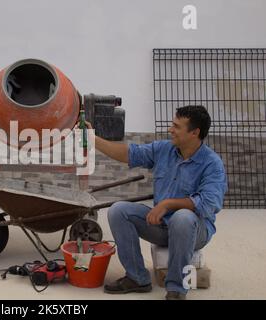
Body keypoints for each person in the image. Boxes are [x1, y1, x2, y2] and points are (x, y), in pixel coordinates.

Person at [88, 105, 227, 300]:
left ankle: (177, 289)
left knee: (183, 217)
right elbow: (129, 153)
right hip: (162, 226)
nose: (171, 130)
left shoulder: (212, 164)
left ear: (195, 132)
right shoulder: (164, 149)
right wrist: (92, 139)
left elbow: (208, 204)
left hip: (195, 230)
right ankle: (137, 278)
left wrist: (168, 204)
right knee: (118, 211)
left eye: (177, 126)